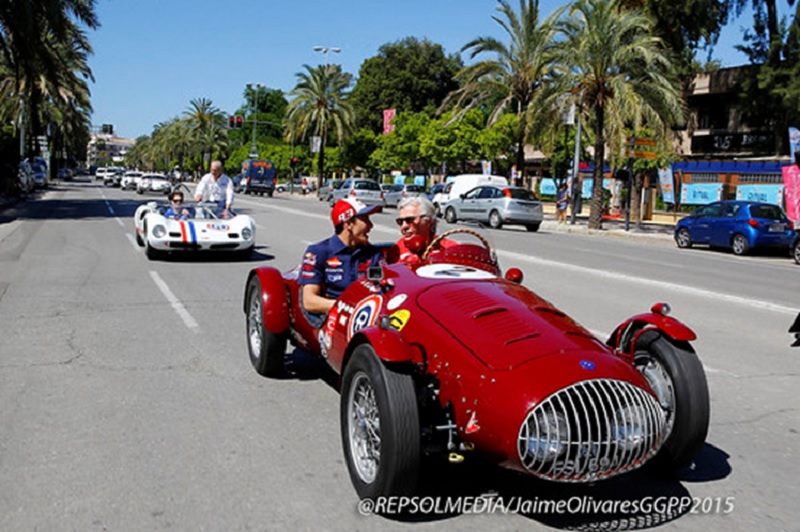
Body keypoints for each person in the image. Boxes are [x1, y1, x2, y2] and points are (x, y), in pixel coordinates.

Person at [299, 198, 384, 315]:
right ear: (348, 224)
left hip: (370, 315)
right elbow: (309, 301)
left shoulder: (373, 254)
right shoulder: (318, 252)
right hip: (334, 319)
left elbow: (383, 287)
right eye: (365, 219)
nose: (371, 225)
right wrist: (347, 308)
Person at [395, 195, 452, 263]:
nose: (404, 226)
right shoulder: (396, 250)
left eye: (410, 220)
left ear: (428, 221)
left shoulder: (449, 248)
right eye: (400, 221)